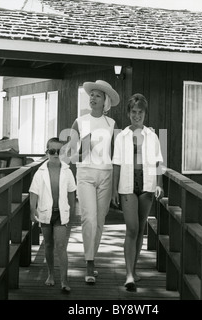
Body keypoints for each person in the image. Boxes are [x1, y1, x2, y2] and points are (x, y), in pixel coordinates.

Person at [68, 80, 120, 284]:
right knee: (89, 218)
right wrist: (83, 150)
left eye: (98, 95)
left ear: (105, 100)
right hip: (86, 175)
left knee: (99, 221)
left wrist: (116, 186)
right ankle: (89, 264)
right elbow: (70, 155)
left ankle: (92, 258)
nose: (93, 98)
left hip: (106, 176)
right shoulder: (79, 122)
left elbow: (117, 157)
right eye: (91, 95)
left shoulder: (113, 124)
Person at [112, 93, 164, 292]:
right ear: (128, 113)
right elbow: (116, 164)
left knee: (141, 228)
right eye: (133, 112)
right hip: (127, 184)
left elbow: (159, 162)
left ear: (145, 114)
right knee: (132, 228)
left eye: (140, 112)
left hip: (147, 184)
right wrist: (114, 190)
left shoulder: (153, 136)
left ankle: (133, 271)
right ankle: (128, 275)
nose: (136, 115)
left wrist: (159, 183)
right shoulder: (121, 136)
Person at [29, 137, 76, 293]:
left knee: (61, 246)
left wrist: (72, 213)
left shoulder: (67, 171)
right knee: (48, 245)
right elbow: (34, 192)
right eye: (52, 151)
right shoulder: (40, 172)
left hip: (61, 214)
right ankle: (50, 274)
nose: (56, 154)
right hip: (45, 213)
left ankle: (64, 280)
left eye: (59, 151)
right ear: (47, 152)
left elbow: (71, 193)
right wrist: (32, 209)